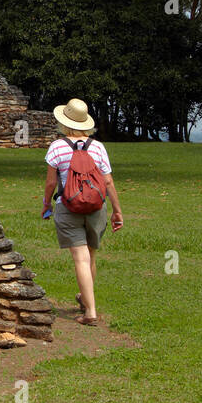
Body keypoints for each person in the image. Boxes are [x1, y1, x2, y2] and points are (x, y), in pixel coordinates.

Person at [42, 98, 124, 326]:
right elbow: (107, 182)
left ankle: (90, 311)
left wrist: (46, 204)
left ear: (64, 122)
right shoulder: (98, 147)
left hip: (69, 207)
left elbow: (50, 183)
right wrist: (117, 211)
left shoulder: (57, 147)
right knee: (91, 256)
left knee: (80, 258)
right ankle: (85, 300)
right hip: (97, 208)